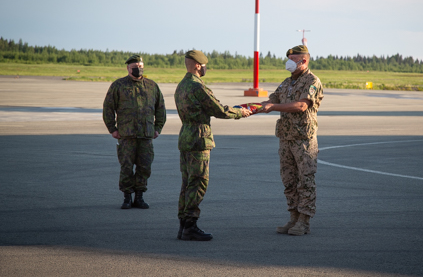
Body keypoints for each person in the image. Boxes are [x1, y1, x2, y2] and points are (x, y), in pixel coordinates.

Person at [174, 50, 251, 241]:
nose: (206, 68)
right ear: (198, 65)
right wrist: (241, 112)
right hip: (199, 139)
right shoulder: (197, 87)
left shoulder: (181, 85)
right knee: (198, 183)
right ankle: (190, 226)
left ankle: (183, 225)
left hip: (185, 137)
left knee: (187, 183)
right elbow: (219, 110)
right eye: (205, 64)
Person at [261, 45, 324, 236]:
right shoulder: (287, 82)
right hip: (286, 139)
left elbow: (301, 106)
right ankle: (293, 217)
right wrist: (260, 105)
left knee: (305, 180)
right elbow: (272, 98)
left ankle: (304, 221)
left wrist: (273, 106)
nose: (289, 61)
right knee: (289, 180)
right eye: (288, 58)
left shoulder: (312, 81)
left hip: (303, 140)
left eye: (293, 58)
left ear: (303, 60)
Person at [103, 54, 166, 210]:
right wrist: (112, 129)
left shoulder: (152, 86)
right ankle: (127, 197)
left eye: (140, 67)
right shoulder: (118, 85)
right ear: (128, 68)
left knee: (145, 167)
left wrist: (158, 128)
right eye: (135, 67)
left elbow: (160, 109)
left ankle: (139, 196)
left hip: (146, 134)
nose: (138, 69)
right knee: (126, 166)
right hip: (126, 134)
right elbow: (108, 108)